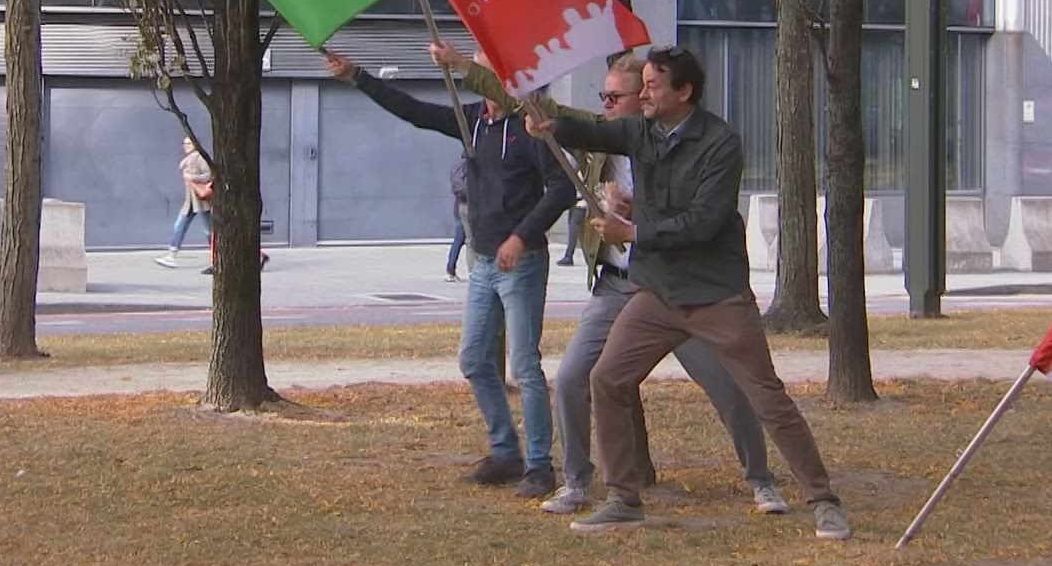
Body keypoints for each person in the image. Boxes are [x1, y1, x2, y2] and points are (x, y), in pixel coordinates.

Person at [433, 41, 787, 518]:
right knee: (574, 377)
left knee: (723, 383)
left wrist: (634, 213)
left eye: (616, 97)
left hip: (676, 286)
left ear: (649, 97)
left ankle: (761, 480)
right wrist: (463, 68)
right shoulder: (604, 140)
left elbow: (696, 219)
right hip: (618, 281)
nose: (606, 105)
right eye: (604, 96)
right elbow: (536, 107)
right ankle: (578, 482)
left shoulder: (682, 146)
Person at [526, 45, 851, 541]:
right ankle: (624, 500)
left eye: (652, 86)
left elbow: (703, 222)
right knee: (607, 379)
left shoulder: (720, 144)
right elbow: (592, 131)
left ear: (684, 92)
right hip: (658, 292)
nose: (643, 94)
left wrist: (632, 232)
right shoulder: (641, 131)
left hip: (716, 293)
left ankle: (824, 501)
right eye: (642, 86)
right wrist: (551, 126)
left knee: (766, 397)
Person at [323, 47, 575, 499]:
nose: (470, 79)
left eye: (479, 70)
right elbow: (415, 111)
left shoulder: (531, 125)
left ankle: (540, 465)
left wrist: (521, 237)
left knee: (525, 366)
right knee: (475, 359)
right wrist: (357, 75)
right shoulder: (471, 120)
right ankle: (505, 452)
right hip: (482, 262)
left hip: (521, 264)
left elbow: (561, 188)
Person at [157, 137, 212, 268]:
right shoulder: (188, 160)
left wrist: (191, 177)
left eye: (188, 143)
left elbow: (209, 175)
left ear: (195, 145)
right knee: (179, 226)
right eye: (184, 143)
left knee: (209, 230)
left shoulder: (200, 158)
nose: (185, 146)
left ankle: (218, 256)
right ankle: (171, 256)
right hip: (191, 201)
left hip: (201, 201)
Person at [444, 156, 469, 282]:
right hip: (468, 206)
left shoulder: (457, 164)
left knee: (459, 239)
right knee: (469, 240)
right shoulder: (470, 164)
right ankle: (473, 271)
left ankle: (450, 270)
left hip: (458, 206)